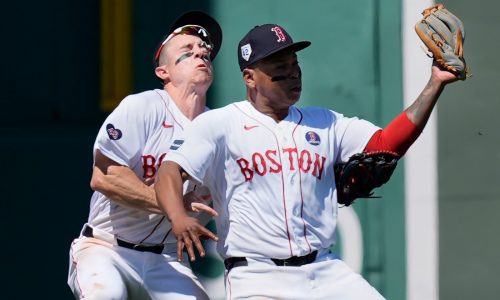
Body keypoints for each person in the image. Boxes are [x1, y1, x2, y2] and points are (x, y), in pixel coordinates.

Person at [154, 23, 459, 299]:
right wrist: (178, 216)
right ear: (250, 77)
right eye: (279, 69)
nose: (292, 75)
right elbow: (170, 170)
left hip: (325, 271)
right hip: (257, 277)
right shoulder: (220, 124)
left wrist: (435, 83)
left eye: (294, 65)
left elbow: (385, 145)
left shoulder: (324, 122)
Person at [67, 11, 221, 300]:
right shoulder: (143, 107)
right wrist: (172, 204)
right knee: (106, 295)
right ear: (164, 72)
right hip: (107, 248)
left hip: (167, 259)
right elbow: (104, 177)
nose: (200, 54)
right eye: (187, 52)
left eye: (205, 53)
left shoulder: (218, 128)